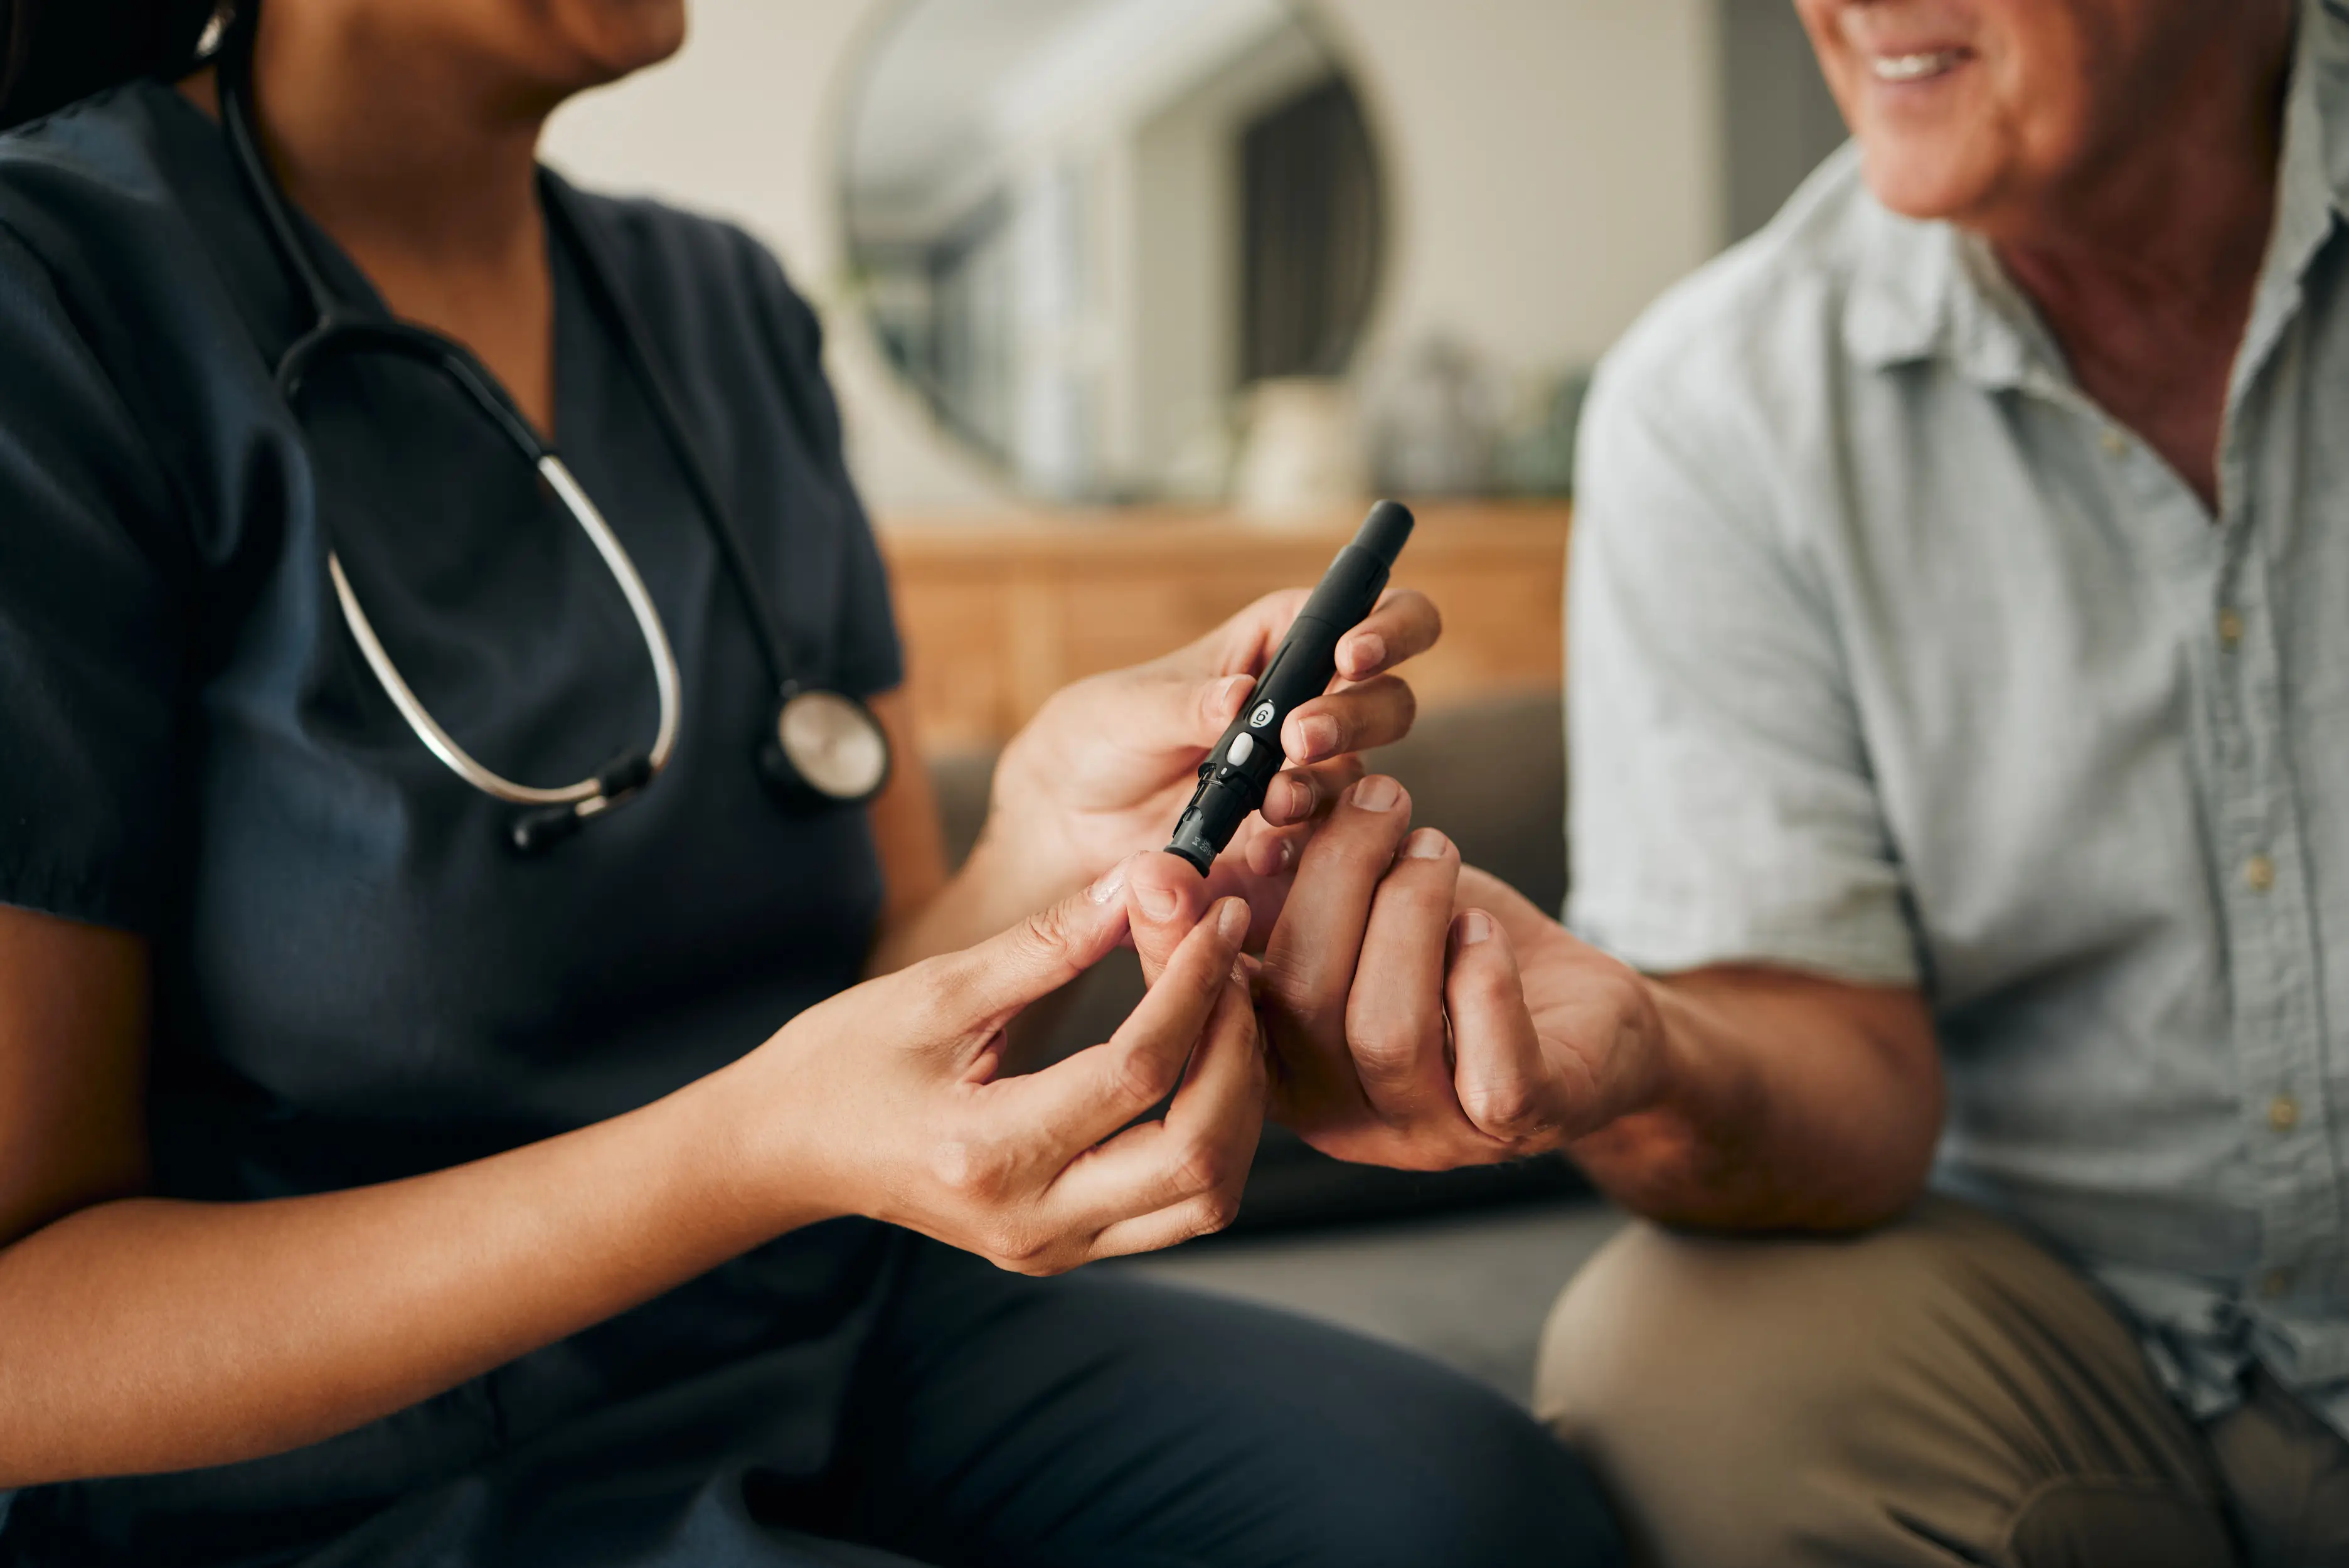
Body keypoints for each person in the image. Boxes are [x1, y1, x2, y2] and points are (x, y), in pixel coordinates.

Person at [0, 3, 1625, 1564]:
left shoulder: (725, 312)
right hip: (339, 1482)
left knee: (1478, 1515)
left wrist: (1043, 852)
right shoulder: (55, 298)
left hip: (819, 1324)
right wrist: (747, 1152)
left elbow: (883, 999)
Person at [1134, 0, 2349, 1561]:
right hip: (2086, 1330)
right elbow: (1838, 1064)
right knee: (1684, 1360)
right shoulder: (1720, 405)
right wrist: (1653, 1054)